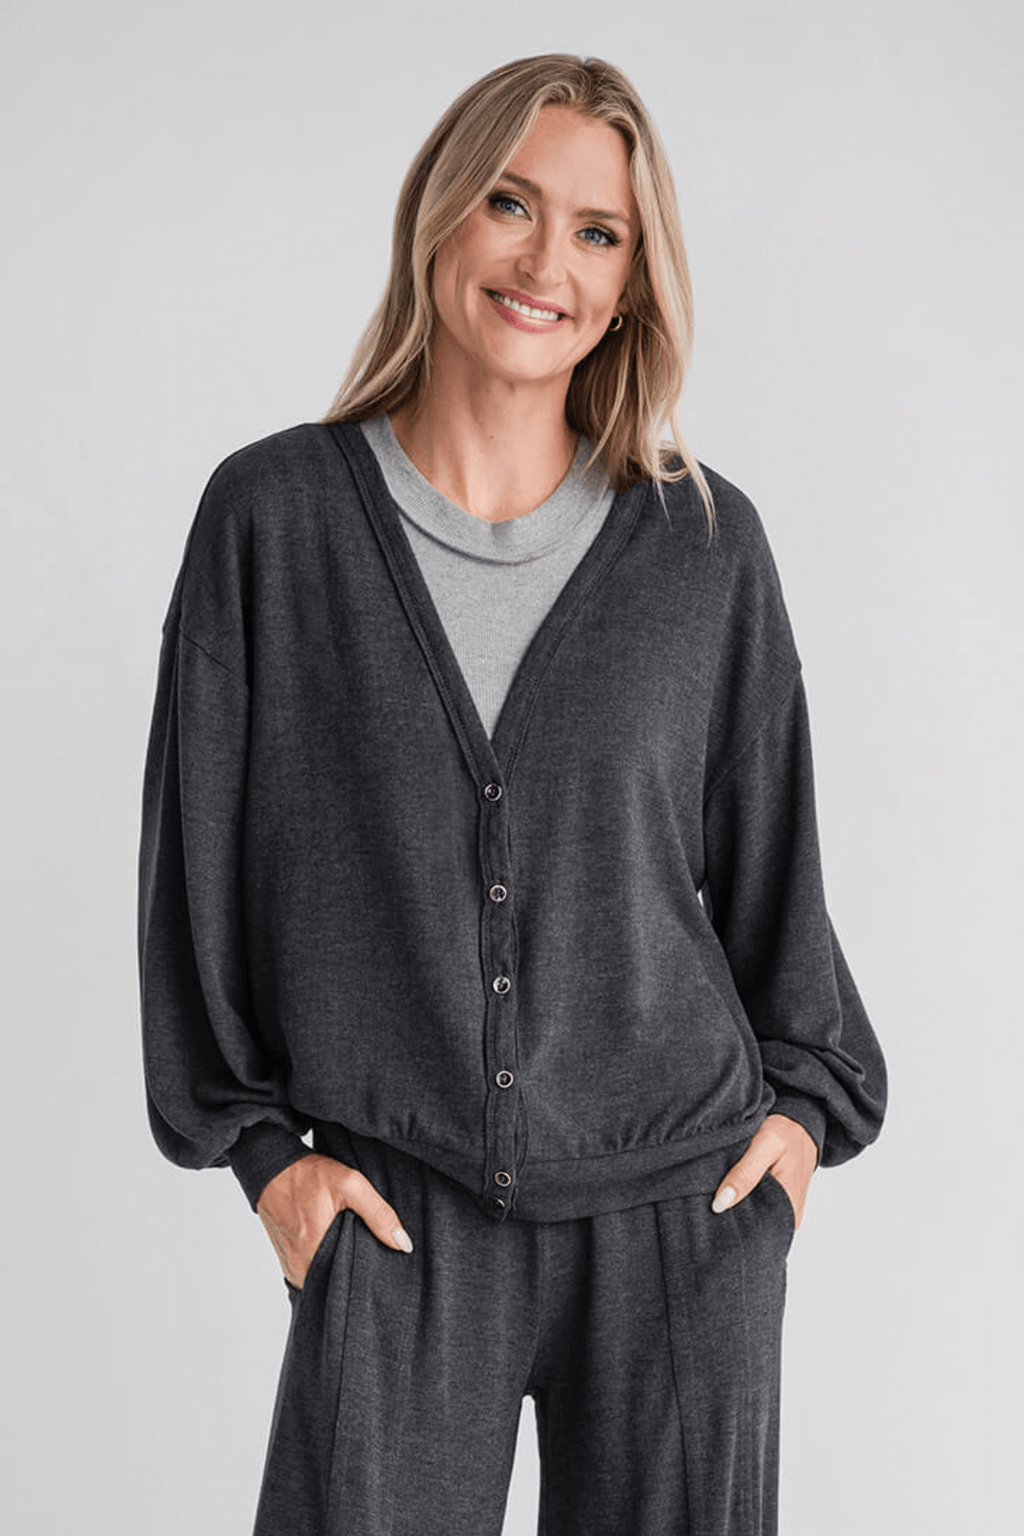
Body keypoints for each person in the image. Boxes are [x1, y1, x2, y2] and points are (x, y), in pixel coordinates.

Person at [137, 52, 887, 1536]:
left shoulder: (702, 546)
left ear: (631, 282)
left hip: (679, 1223)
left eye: (598, 232)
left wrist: (796, 1136)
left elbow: (774, 885)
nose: (548, 263)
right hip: (391, 1219)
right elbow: (194, 877)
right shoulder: (272, 522)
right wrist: (270, 1164)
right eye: (510, 203)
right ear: (440, 214)